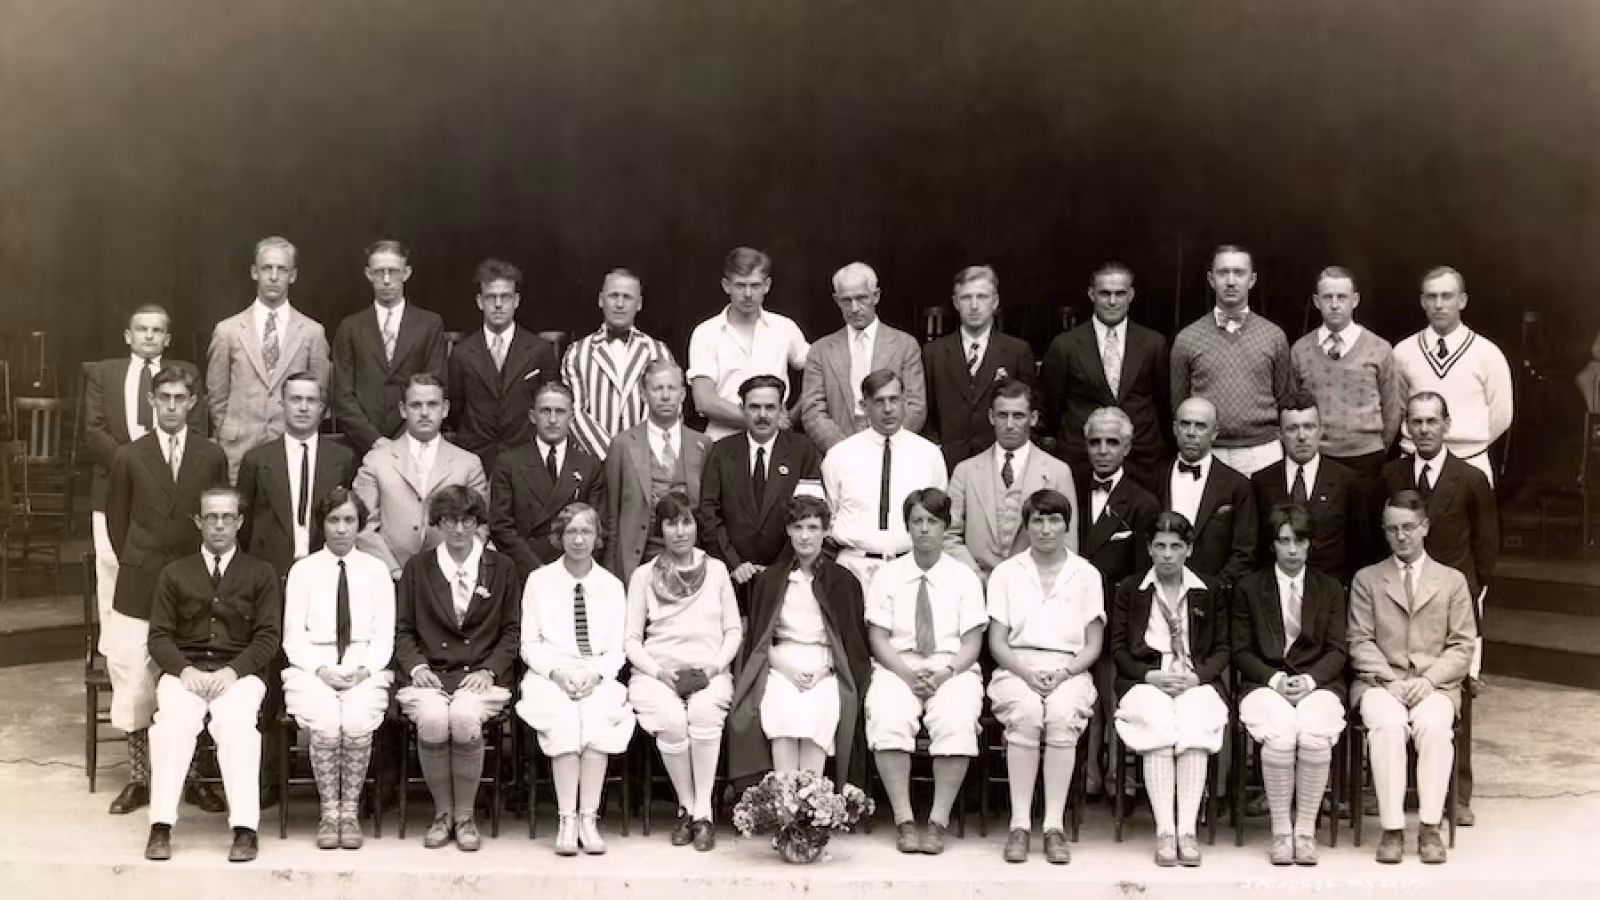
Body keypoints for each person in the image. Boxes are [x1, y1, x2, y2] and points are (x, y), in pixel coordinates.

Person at [104, 362, 229, 816]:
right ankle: (139, 778)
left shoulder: (211, 455)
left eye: (180, 399)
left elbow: (217, 514)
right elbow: (117, 523)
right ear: (152, 402)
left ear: (192, 403)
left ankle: (194, 779)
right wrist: (142, 558)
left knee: (190, 676)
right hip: (140, 583)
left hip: (192, 584)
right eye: (164, 398)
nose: (172, 407)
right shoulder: (129, 456)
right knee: (135, 681)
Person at [142, 487, 281, 863]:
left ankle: (245, 829)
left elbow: (268, 637)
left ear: (239, 522)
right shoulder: (174, 573)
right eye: (211, 517)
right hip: (185, 672)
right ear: (198, 522)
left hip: (238, 674)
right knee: (172, 725)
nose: (219, 525)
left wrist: (234, 671)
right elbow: (159, 636)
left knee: (237, 725)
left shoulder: (261, 573)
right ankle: (160, 825)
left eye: (227, 517)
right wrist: (183, 670)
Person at [1380, 392, 1497, 824]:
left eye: (1432, 421)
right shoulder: (1390, 475)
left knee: (1453, 693)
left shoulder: (1471, 479)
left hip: (1451, 604)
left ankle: (1457, 794)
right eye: (1416, 421)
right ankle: (1401, 788)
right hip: (1399, 600)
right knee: (1399, 690)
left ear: (1447, 424)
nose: (1424, 429)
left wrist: (1463, 593)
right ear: (1406, 427)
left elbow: (1487, 548)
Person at [1349, 491, 1476, 865]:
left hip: (1434, 684)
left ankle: (1429, 827)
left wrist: (1431, 680)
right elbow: (1359, 639)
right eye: (1392, 529)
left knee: (1434, 728)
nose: (1400, 536)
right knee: (1388, 726)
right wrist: (1388, 680)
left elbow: (1462, 645)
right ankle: (1391, 829)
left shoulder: (1452, 581)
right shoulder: (1367, 579)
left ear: (1425, 527)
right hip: (1380, 682)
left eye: (1408, 527)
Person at [393, 485, 521, 851]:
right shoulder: (418, 568)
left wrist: (489, 670)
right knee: (434, 720)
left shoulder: (502, 568)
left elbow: (512, 631)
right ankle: (442, 814)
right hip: (431, 674)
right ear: (438, 523)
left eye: (467, 521)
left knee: (464, 718)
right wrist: (416, 666)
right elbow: (403, 629)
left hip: (480, 675)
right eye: (450, 521)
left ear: (479, 522)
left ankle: (465, 817)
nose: (460, 529)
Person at [83, 306, 200, 695]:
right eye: (141, 329)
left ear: (168, 338)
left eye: (157, 330)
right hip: (113, 485)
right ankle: (116, 654)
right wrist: (131, 464)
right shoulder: (104, 373)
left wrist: (157, 471)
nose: (149, 336)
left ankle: (172, 653)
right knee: (112, 566)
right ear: (127, 335)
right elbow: (94, 429)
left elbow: (198, 428)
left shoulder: (182, 376)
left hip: (169, 489)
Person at [864, 488, 987, 856]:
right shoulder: (887, 575)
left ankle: (937, 821)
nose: (924, 529)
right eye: (916, 521)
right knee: (886, 716)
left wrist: (945, 673)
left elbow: (972, 642)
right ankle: (904, 819)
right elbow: (878, 637)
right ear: (907, 526)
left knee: (956, 719)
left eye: (932, 521)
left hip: (952, 667)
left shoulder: (964, 577)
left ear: (945, 526)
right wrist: (905, 673)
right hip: (898, 665)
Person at [986, 489, 1103, 865]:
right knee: (1026, 713)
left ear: (1067, 525)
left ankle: (1054, 826)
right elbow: (997, 641)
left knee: (1062, 716)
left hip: (1070, 668)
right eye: (1037, 520)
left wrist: (1065, 673)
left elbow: (1093, 643)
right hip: (1017, 665)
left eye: (1054, 520)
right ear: (1026, 526)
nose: (1046, 529)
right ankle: (1020, 825)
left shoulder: (1086, 574)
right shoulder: (1007, 573)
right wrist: (1025, 673)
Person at [1110, 512, 1231, 868]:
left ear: (1189, 549)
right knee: (1157, 724)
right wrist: (1149, 675)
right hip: (1147, 678)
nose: (1167, 554)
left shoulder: (1208, 590)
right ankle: (1165, 830)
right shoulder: (1131, 589)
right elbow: (1118, 649)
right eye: (1160, 546)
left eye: (1176, 546)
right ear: (1149, 548)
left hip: (1194, 678)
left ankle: (1187, 831)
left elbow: (1223, 648)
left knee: (1194, 725)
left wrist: (1198, 677)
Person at [623, 493, 743, 850]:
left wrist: (714, 667)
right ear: (660, 529)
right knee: (672, 720)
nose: (680, 531)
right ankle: (687, 808)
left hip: (708, 670)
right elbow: (631, 640)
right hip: (657, 672)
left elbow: (733, 631)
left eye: (686, 522)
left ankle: (704, 811)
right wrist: (658, 672)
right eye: (671, 523)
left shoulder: (717, 570)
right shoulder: (644, 575)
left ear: (696, 526)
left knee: (704, 713)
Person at [728, 496, 872, 789]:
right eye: (798, 527)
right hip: (780, 661)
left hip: (827, 664)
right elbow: (760, 641)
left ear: (825, 531)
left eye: (813, 527)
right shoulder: (771, 579)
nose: (805, 536)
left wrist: (825, 670)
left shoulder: (844, 581)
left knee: (819, 706)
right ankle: (785, 800)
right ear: (788, 530)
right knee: (780, 706)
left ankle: (810, 799)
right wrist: (787, 669)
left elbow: (851, 644)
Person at [1232, 505, 1348, 866]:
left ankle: (1305, 832)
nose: (1293, 550)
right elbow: (1240, 649)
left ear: (1310, 543)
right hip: (1266, 682)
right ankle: (1282, 832)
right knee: (1280, 736)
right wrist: (1275, 680)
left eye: (1300, 541)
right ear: (1273, 545)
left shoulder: (1329, 588)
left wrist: (1311, 680)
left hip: (1318, 683)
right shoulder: (1251, 588)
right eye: (1284, 541)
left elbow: (1338, 649)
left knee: (1313, 735)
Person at [517, 503, 635, 856]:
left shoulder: (612, 586)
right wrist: (557, 673)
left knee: (596, 719)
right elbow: (529, 643)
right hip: (550, 672)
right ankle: (567, 819)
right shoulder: (539, 581)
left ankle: (588, 819)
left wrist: (595, 674)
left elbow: (617, 649)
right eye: (571, 532)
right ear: (559, 537)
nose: (579, 539)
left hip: (597, 671)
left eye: (586, 531)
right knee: (566, 719)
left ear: (598, 537)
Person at [279, 488, 395, 850]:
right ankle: (329, 812)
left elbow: (385, 636)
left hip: (364, 663)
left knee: (357, 721)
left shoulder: (376, 571)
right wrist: (320, 670)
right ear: (322, 524)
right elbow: (292, 637)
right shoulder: (303, 571)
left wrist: (364, 670)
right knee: (327, 722)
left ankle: (350, 813)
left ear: (360, 524)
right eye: (333, 520)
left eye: (349, 520)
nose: (341, 529)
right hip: (313, 663)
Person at [1075, 407, 1160, 797]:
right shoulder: (1072, 490)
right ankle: (1084, 774)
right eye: (1095, 442)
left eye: (1112, 442)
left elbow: (1142, 576)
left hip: (1114, 614)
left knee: (1113, 697)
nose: (1103, 450)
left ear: (1127, 447)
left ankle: (1115, 774)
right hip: (1071, 613)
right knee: (1080, 696)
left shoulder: (1142, 502)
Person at [206, 235, 332, 481]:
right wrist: (227, 430)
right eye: (267, 268)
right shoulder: (227, 331)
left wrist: (301, 433)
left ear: (292, 275)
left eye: (281, 269)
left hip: (291, 447)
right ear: (255, 272)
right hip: (238, 449)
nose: (274, 276)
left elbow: (320, 395)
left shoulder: (311, 332)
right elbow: (217, 395)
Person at [1040, 263, 1171, 491]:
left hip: (1142, 461)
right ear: (1091, 294)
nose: (1112, 301)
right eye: (1104, 293)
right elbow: (1052, 408)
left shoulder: (1154, 344)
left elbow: (1163, 405)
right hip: (1082, 461)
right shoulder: (1065, 346)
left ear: (1131, 295)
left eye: (1120, 294)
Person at [1170, 245, 1293, 478]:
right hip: (1208, 450)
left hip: (1263, 452)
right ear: (1211, 279)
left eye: (1239, 273)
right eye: (1223, 272)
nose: (1230, 281)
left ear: (1252, 280)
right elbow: (1179, 405)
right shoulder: (1187, 339)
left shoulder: (1274, 336)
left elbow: (1284, 397)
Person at [353, 374, 490, 580]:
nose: (424, 412)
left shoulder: (468, 464)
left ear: (445, 409)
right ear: (403, 410)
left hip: (450, 579)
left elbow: (479, 527)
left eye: (432, 404)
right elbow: (363, 526)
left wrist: (453, 570)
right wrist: (394, 572)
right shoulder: (376, 461)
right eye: (416, 405)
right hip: (388, 578)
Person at [821, 369, 949, 588]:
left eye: (894, 400)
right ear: (864, 406)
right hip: (853, 568)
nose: (888, 409)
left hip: (910, 566)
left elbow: (937, 514)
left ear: (904, 401)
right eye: (879, 401)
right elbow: (830, 513)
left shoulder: (929, 454)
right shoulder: (840, 455)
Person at [699, 375, 823, 594]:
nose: (762, 415)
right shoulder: (721, 452)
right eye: (754, 407)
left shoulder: (803, 451)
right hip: (733, 576)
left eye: (770, 407)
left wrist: (780, 568)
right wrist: (734, 564)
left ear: (782, 409)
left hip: (787, 575)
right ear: (742, 409)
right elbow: (709, 513)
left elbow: (809, 514)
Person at [946, 378, 1079, 582]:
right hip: (978, 586)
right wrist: (974, 576)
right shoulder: (965, 471)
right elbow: (948, 535)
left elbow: (1067, 543)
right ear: (991, 417)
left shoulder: (1057, 472)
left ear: (1033, 418)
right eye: (1002, 415)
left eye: (1018, 416)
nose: (1009, 425)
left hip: (1036, 586)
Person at [1392, 267, 1514, 484]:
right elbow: (1398, 408)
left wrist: (1468, 443)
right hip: (1414, 462)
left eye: (1447, 296)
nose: (1439, 304)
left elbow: (1502, 416)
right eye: (1432, 297)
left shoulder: (1487, 353)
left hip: (1470, 462)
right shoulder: (1403, 352)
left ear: (1462, 301)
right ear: (1423, 302)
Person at [329, 239, 448, 457]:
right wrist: (373, 440)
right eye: (379, 272)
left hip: (414, 446)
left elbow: (435, 385)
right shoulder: (350, 327)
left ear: (406, 273)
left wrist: (404, 442)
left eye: (393, 272)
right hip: (362, 447)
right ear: (368, 274)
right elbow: (342, 396)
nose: (386, 280)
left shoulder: (429, 325)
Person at [446, 259, 560, 477]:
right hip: (475, 462)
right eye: (491, 297)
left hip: (526, 462)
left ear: (516, 300)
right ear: (480, 301)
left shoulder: (539, 351)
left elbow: (548, 407)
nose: (498, 304)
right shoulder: (462, 354)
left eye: (505, 297)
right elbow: (456, 410)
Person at [799, 262, 927, 452]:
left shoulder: (905, 345)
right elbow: (813, 411)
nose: (854, 308)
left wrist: (885, 445)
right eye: (846, 300)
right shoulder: (821, 350)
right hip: (840, 453)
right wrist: (844, 451)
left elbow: (915, 406)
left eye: (861, 298)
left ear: (876, 296)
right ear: (836, 300)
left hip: (893, 451)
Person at [1289, 267, 1402, 482]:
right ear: (1316, 301)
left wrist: (1375, 447)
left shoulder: (1379, 348)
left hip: (1366, 460)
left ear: (1355, 300)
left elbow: (1392, 410)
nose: (1334, 304)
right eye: (1327, 297)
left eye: (1341, 297)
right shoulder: (1300, 350)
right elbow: (1294, 406)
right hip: (1317, 458)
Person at [236, 372, 355, 576]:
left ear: (321, 408)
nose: (303, 407)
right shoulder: (256, 460)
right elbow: (243, 524)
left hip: (325, 571)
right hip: (269, 572)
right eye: (295, 399)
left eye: (311, 400)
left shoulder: (343, 459)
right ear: (282, 404)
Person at [688, 247, 811, 441]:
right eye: (740, 285)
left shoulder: (784, 328)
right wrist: (764, 421)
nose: (748, 294)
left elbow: (819, 372)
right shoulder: (706, 333)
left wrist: (791, 417)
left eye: (755, 285)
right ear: (726, 286)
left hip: (777, 440)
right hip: (723, 440)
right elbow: (704, 401)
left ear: (767, 285)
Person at [603, 359, 712, 578]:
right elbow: (611, 513)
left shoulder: (702, 444)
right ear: (644, 395)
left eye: (671, 388)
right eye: (657, 389)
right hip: (639, 558)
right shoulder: (623, 444)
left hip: (691, 558)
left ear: (683, 394)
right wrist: (611, 569)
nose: (665, 396)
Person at [489, 381, 607, 581]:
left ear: (571, 417)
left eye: (560, 412)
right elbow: (501, 527)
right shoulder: (509, 462)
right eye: (545, 411)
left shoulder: (590, 467)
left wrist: (569, 568)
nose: (552, 419)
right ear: (532, 416)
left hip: (574, 572)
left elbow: (597, 526)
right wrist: (537, 570)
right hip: (524, 573)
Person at [922, 265, 1037, 469]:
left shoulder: (1017, 352)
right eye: (966, 298)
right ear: (956, 302)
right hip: (947, 461)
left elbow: (1030, 408)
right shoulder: (933, 353)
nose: (974, 306)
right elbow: (927, 411)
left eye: (982, 297)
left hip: (999, 462)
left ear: (995, 301)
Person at [562, 268, 675, 460]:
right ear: (601, 300)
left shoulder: (658, 351)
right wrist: (613, 456)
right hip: (591, 463)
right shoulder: (577, 353)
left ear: (639, 304)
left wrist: (637, 454)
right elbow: (574, 411)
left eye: (627, 297)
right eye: (613, 296)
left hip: (645, 462)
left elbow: (667, 406)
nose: (620, 304)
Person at [1250, 392, 1360, 582]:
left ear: (1320, 430)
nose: (1302, 436)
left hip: (1330, 588)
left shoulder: (1347, 481)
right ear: (1279, 434)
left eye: (1308, 427)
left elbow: (1359, 547)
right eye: (1292, 428)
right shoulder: (1261, 482)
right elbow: (1257, 547)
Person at [1160, 397, 1257, 589]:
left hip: (1217, 594)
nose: (1191, 433)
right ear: (1174, 428)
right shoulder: (1155, 479)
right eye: (1185, 424)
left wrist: (1215, 590)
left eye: (1200, 426)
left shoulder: (1237, 485)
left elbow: (1245, 551)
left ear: (1215, 433)